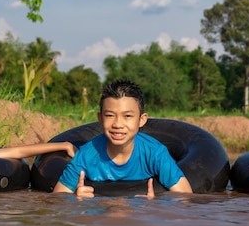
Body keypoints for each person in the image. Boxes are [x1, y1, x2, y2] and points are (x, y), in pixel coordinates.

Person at [52, 79, 193, 197]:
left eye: (127, 116)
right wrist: (75, 201)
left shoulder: (155, 153)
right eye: (110, 115)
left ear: (142, 120)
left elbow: (185, 198)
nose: (118, 124)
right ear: (100, 118)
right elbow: (57, 199)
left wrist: (156, 206)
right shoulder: (86, 156)